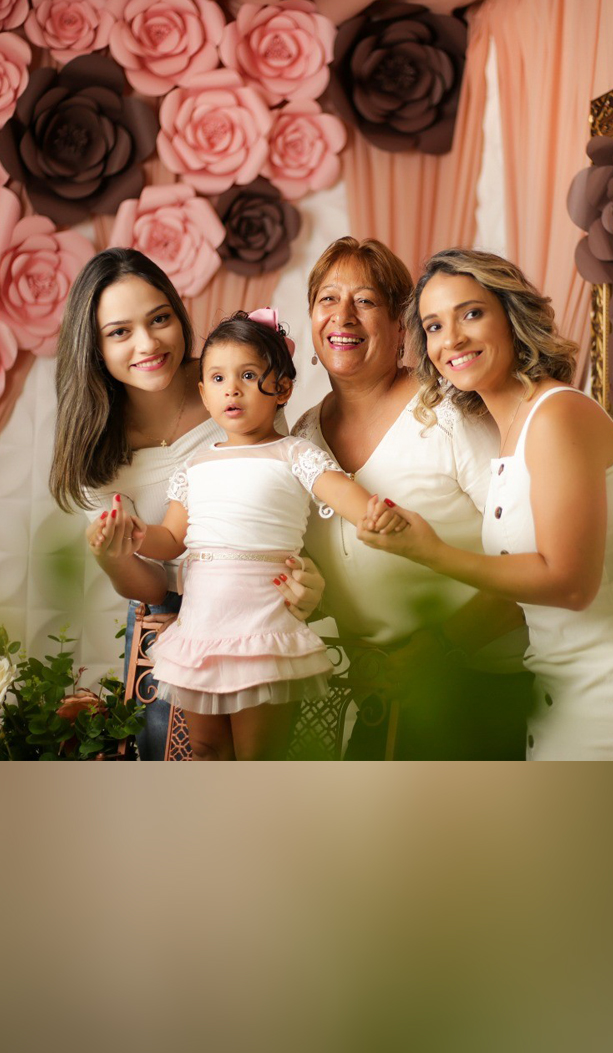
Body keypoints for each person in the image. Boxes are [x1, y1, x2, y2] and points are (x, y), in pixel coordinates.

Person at [358, 248, 613, 761]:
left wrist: (430, 552)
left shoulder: (556, 415)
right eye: (433, 326)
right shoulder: (513, 429)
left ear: (511, 316)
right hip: (566, 693)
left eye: (470, 314)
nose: (451, 339)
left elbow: (570, 584)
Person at [91, 311, 406, 760]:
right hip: (201, 630)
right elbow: (173, 539)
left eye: (249, 375)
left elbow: (342, 493)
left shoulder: (293, 453)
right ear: (204, 393)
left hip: (263, 629)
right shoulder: (195, 466)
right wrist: (137, 535)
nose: (232, 389)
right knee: (205, 750)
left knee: (258, 757)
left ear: (283, 388)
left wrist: (374, 515)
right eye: (218, 378)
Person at [50, 249, 323, 760]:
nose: (148, 343)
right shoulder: (93, 447)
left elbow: (279, 502)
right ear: (94, 347)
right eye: (120, 332)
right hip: (166, 626)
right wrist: (113, 558)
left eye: (160, 319)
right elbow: (152, 585)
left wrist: (306, 580)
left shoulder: (235, 382)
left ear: (179, 315)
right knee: (183, 761)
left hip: (256, 609)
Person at [292, 236, 532, 760]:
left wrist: (444, 646)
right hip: (379, 698)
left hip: (480, 686)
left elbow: (531, 561)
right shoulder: (301, 438)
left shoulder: (450, 411)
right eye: (328, 299)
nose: (343, 316)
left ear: (402, 326)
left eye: (366, 301)